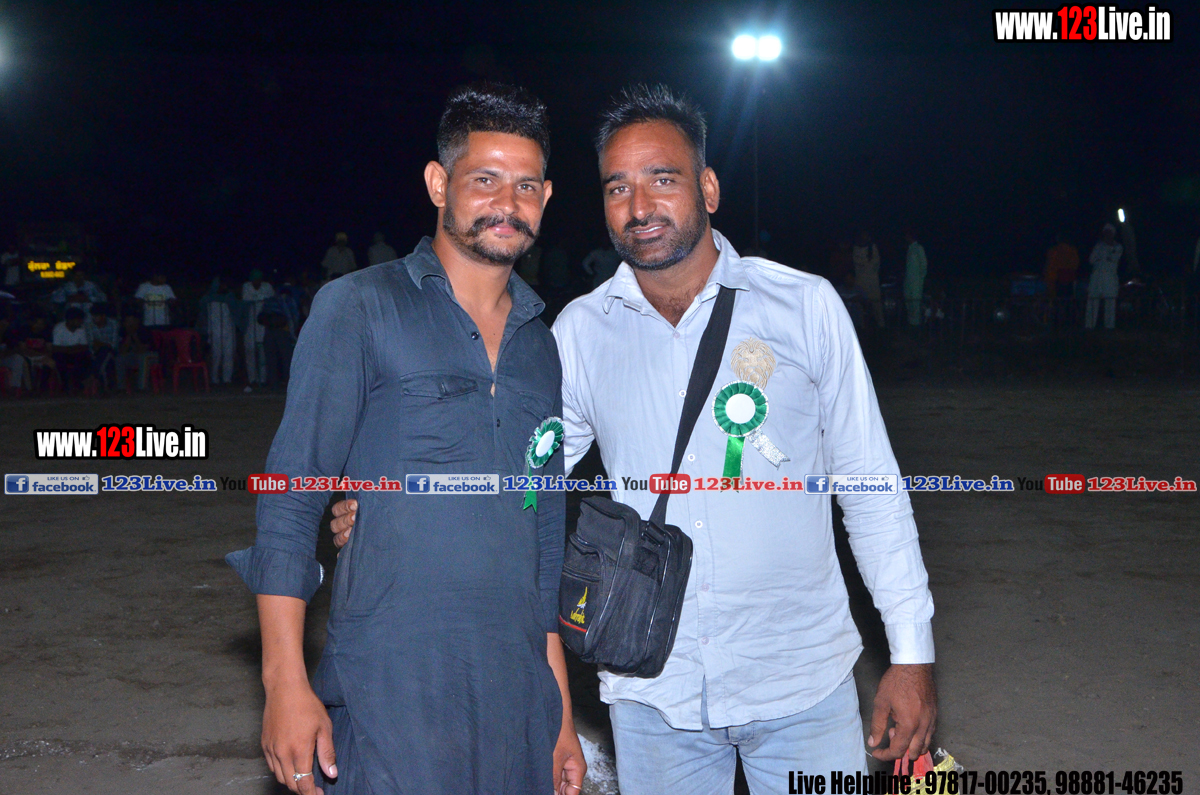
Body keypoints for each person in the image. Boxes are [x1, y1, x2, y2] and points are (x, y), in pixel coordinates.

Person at [331, 84, 936, 794]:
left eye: (663, 179)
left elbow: (871, 488)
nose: (640, 206)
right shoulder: (580, 333)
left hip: (801, 680)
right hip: (652, 691)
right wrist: (396, 499)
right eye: (618, 187)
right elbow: (519, 479)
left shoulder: (804, 307)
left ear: (708, 188)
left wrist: (911, 653)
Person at [225, 83, 585, 795]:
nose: (506, 203)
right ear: (438, 183)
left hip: (516, 696)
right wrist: (284, 680)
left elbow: (542, 537)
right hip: (391, 685)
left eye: (524, 186)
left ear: (545, 197)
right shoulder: (359, 307)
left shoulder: (541, 346)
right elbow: (293, 496)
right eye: (484, 180)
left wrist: (561, 714)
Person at [197, 277, 243, 385]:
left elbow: (236, 311)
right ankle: (214, 378)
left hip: (228, 329)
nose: (224, 287)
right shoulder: (207, 299)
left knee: (229, 354)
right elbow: (203, 313)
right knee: (216, 355)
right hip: (215, 330)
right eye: (221, 285)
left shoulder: (230, 298)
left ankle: (227, 379)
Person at [241, 269, 275, 385]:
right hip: (249, 325)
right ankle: (252, 379)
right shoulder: (246, 286)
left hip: (263, 325)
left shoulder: (267, 287)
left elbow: (271, 299)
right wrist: (261, 299)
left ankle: (263, 379)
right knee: (250, 351)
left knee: (263, 352)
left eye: (259, 279)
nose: (257, 282)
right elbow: (246, 299)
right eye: (255, 279)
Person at [1086, 223, 1122, 330]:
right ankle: (1089, 326)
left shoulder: (1118, 247)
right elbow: (1091, 260)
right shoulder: (1098, 246)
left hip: (1110, 278)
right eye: (1105, 232)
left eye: (1109, 232)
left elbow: (1113, 258)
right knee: (1093, 300)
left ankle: (1109, 327)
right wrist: (1103, 258)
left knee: (1110, 301)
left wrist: (1102, 258)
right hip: (1097, 277)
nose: (1107, 234)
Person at [51, 307, 94, 393]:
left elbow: (84, 347)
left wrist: (68, 349)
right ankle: (65, 384)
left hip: (76, 354)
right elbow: (56, 348)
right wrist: (74, 348)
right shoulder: (59, 329)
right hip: (63, 355)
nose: (81, 322)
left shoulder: (81, 329)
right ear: (71, 320)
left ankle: (79, 382)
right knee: (59, 357)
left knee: (86, 356)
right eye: (79, 320)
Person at [117, 313, 158, 391]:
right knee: (120, 359)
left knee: (144, 357)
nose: (130, 324)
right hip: (135, 356)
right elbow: (122, 351)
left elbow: (143, 350)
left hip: (152, 355)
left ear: (137, 321)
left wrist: (135, 337)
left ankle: (142, 387)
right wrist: (129, 337)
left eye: (132, 321)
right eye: (127, 322)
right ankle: (121, 388)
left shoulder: (144, 331)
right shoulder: (123, 332)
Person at [852, 230, 885, 328]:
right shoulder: (856, 248)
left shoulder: (872, 248)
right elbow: (857, 261)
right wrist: (866, 262)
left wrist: (865, 263)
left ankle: (881, 326)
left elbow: (875, 263)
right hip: (860, 281)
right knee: (860, 305)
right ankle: (860, 326)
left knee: (876, 304)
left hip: (872, 281)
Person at [86, 303, 120, 390]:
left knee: (105, 350)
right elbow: (91, 344)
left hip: (111, 352)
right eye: (93, 316)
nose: (94, 318)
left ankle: (93, 376)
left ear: (103, 316)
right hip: (97, 352)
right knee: (106, 359)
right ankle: (104, 384)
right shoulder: (89, 325)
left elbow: (114, 345)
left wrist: (100, 344)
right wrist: (103, 344)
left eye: (96, 316)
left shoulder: (113, 324)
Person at [1044, 233, 1079, 303]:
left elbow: (1050, 265)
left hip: (1058, 279)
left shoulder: (1054, 250)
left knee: (1058, 300)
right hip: (1068, 278)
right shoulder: (1072, 250)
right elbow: (1075, 265)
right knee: (1067, 300)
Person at [903, 230, 927, 326]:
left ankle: (916, 324)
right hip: (908, 281)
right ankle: (910, 323)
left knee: (915, 303)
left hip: (916, 282)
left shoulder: (918, 248)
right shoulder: (909, 249)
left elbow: (923, 265)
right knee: (908, 301)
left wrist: (920, 279)